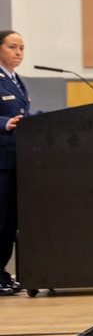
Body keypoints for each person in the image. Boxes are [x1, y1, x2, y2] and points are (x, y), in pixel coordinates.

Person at [0, 30, 27, 295]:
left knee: (10, 223)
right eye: (12, 47)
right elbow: (7, 119)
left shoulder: (16, 80)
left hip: (17, 161)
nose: (18, 52)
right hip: (1, 162)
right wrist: (4, 123)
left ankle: (2, 272)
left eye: (21, 48)